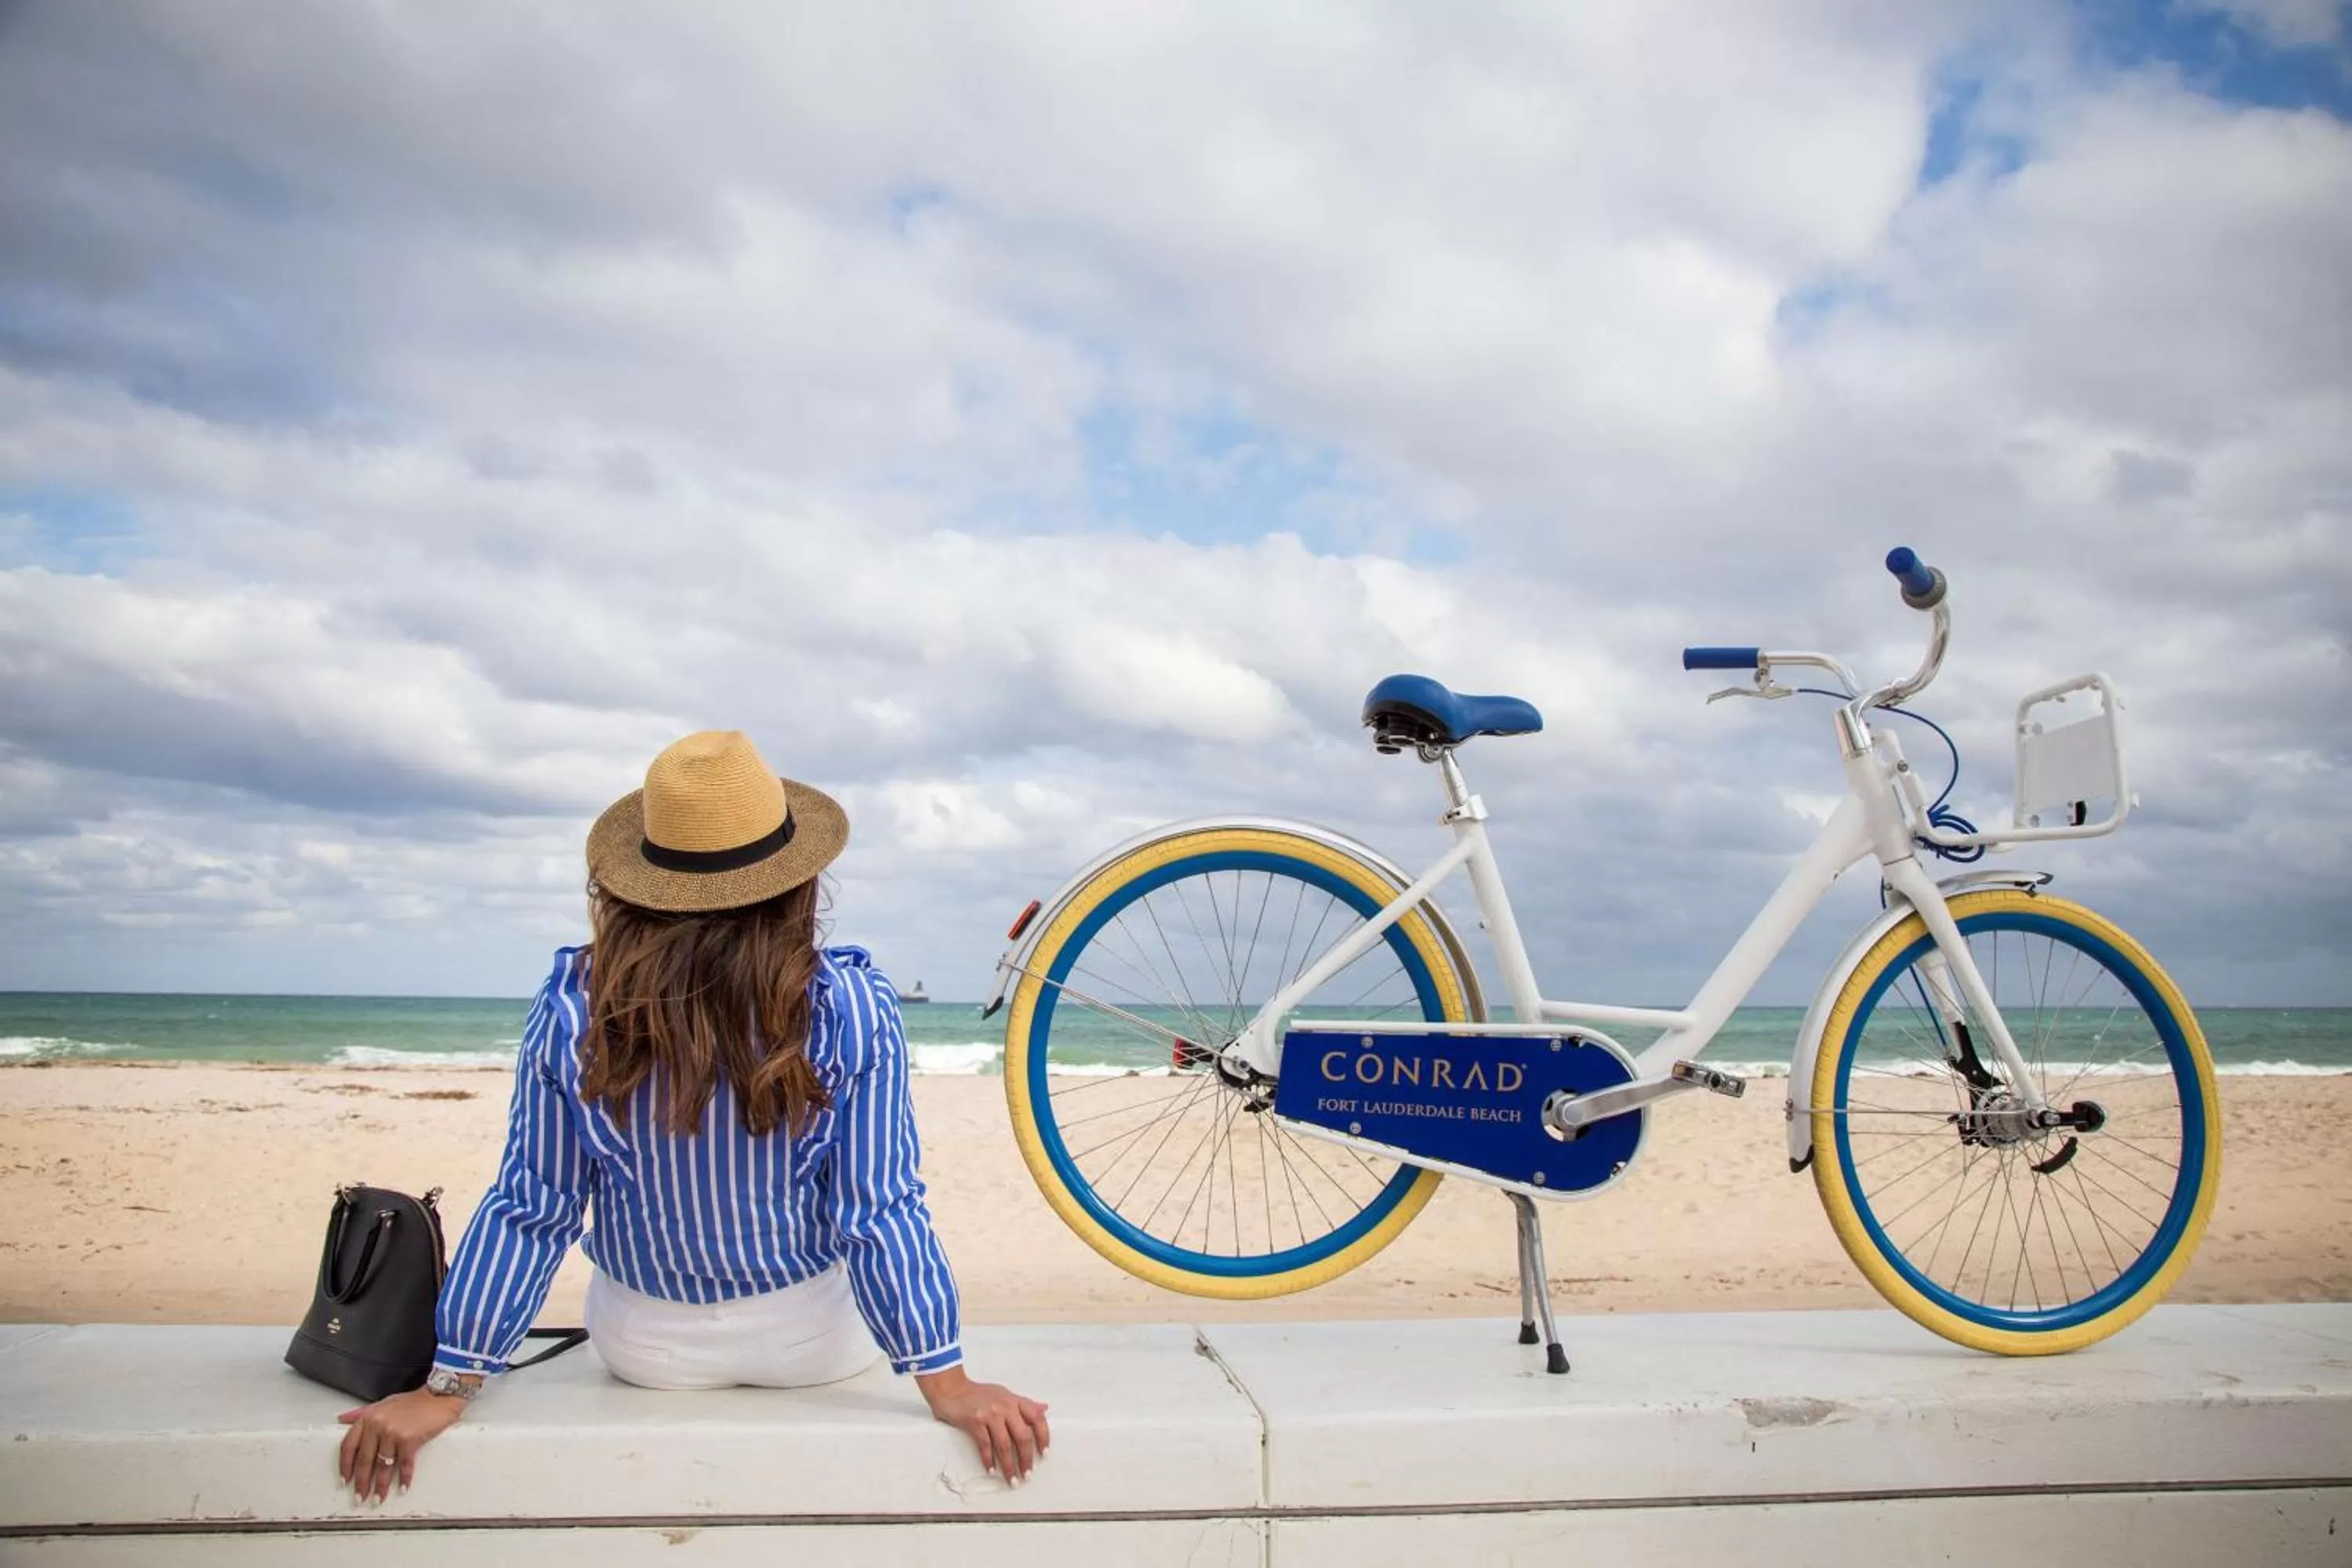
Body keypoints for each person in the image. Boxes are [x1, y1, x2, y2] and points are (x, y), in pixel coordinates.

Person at [334, 731, 1049, 1501]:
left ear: (642, 883)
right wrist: (947, 1380)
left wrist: (448, 1385)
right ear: (797, 883)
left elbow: (532, 1206)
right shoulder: (849, 1006)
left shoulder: (577, 1005)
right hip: (812, 1340)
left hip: (646, 1345)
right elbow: (878, 1209)